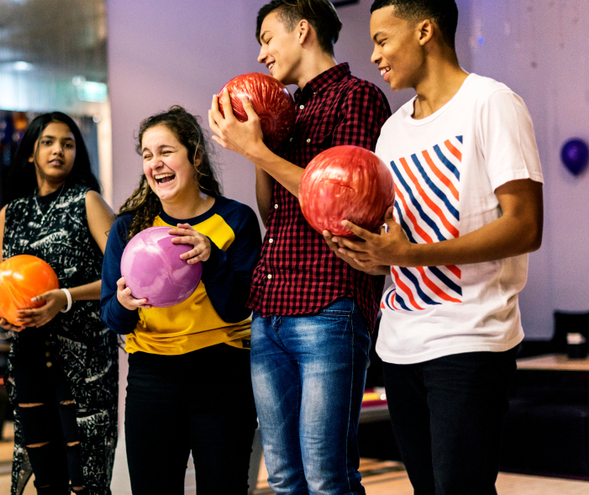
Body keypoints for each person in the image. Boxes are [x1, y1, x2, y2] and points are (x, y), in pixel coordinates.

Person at [322, 1, 545, 493]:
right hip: (399, 343)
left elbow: (526, 226)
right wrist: (365, 253)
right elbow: (393, 243)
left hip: (470, 338)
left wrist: (409, 256)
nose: (374, 55)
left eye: (382, 39)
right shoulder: (391, 132)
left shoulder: (492, 102)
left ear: (425, 30)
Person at [207, 1, 391, 493]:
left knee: (328, 478)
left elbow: (343, 205)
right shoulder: (290, 111)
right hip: (270, 310)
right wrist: (258, 146)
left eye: (268, 37)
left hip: (329, 304)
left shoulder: (358, 98)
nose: (262, 53)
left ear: (303, 30)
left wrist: (258, 150)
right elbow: (275, 216)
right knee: (286, 478)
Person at [100, 106, 261, 494]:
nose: (156, 163)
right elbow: (112, 317)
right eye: (147, 154)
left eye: (166, 151)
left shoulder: (236, 219)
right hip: (151, 379)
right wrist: (122, 304)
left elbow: (241, 306)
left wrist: (213, 259)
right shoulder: (128, 228)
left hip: (223, 377)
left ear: (196, 156)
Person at [0, 112, 118, 495]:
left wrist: (64, 298)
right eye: (47, 142)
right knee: (47, 481)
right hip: (28, 360)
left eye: (68, 143)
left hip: (84, 361)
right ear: (31, 152)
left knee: (86, 482)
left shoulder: (88, 201)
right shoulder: (10, 214)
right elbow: (4, 288)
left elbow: (122, 277)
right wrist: (3, 319)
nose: (58, 150)